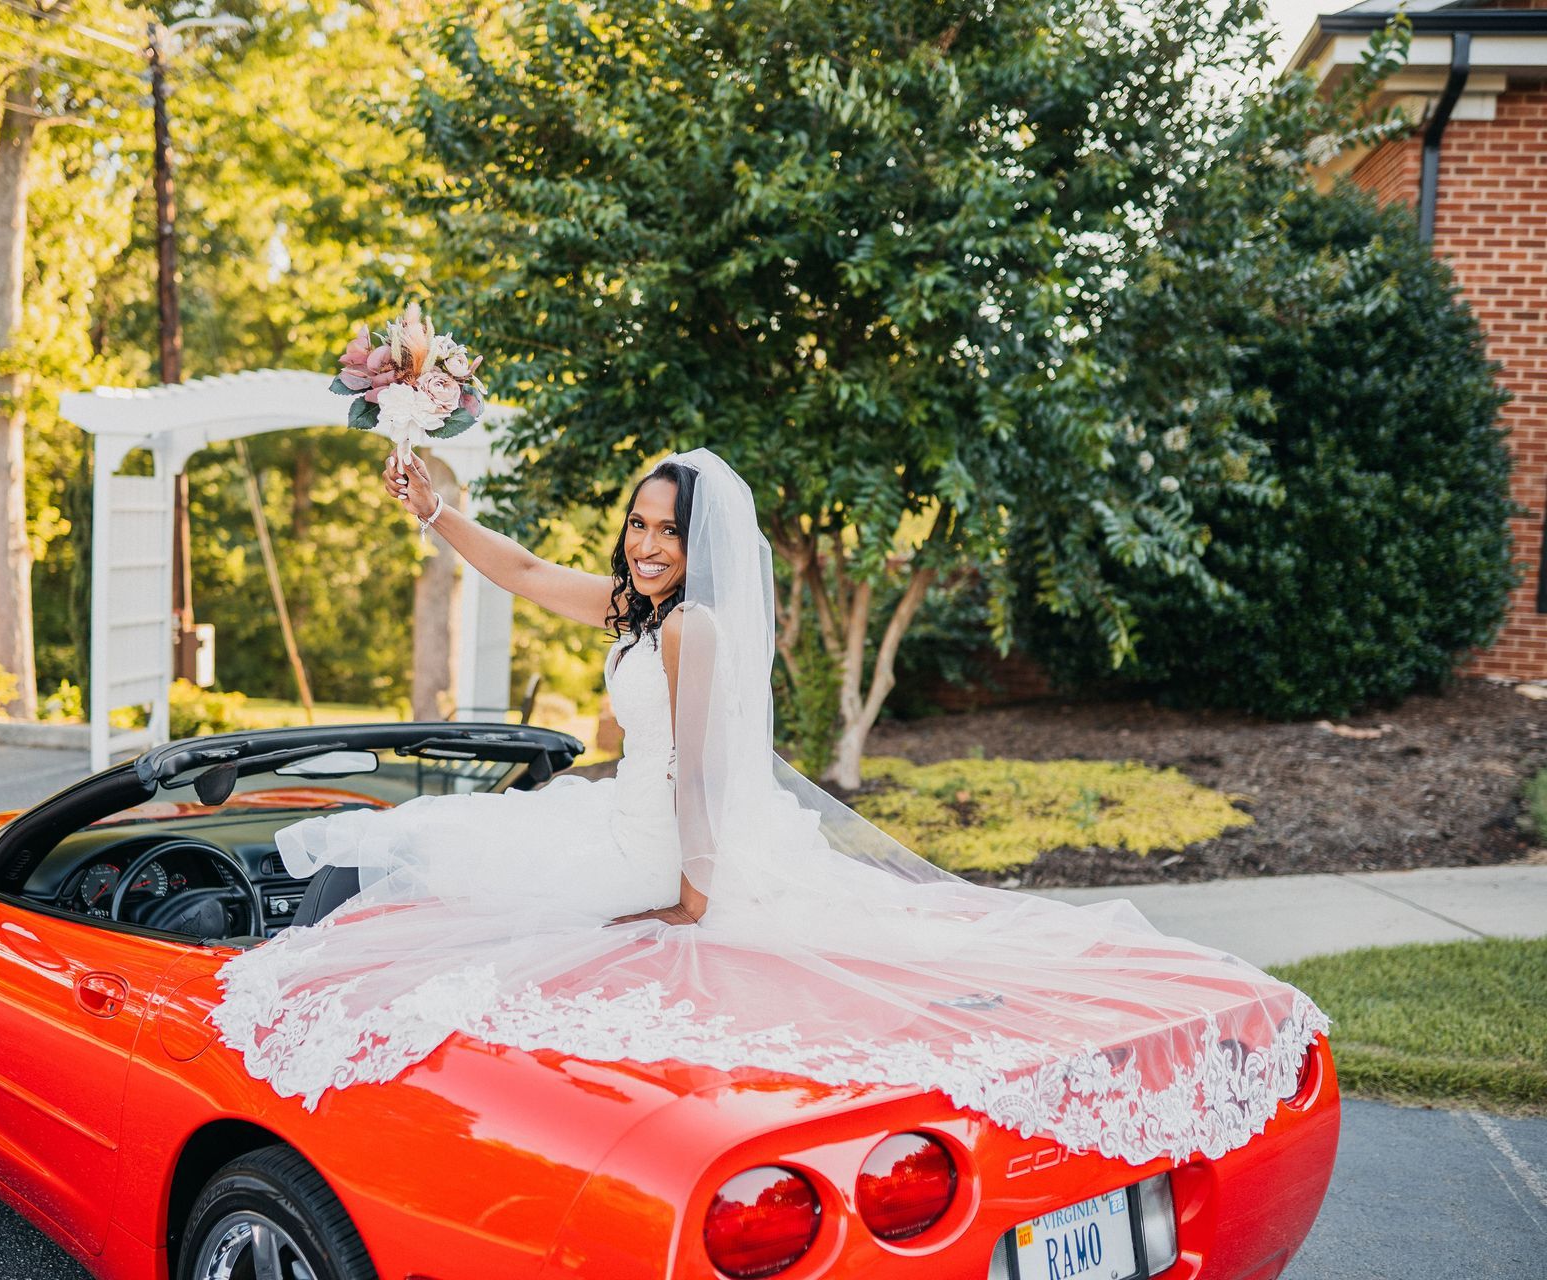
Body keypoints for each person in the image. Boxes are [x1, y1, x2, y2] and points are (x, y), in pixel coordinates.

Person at [212, 448, 1327, 1166]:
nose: (646, 542)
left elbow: (695, 771)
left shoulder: (692, 626)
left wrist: (693, 895)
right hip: (627, 817)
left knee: (439, 869)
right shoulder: (639, 607)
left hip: (658, 842)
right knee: (435, 847)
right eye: (638, 522)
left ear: (703, 545)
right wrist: (439, 506)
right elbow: (520, 570)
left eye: (667, 529)